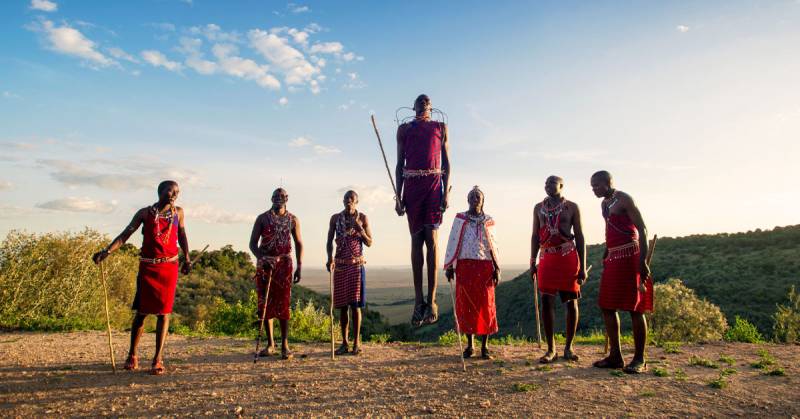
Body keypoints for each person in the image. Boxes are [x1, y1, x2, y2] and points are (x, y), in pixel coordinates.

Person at [92, 180, 191, 375]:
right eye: (170, 191)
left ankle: (157, 359)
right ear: (160, 192)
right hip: (148, 266)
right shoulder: (145, 213)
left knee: (164, 313)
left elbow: (182, 235)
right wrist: (107, 251)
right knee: (142, 312)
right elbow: (125, 235)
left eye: (177, 192)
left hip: (169, 266)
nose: (174, 195)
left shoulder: (178, 212)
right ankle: (132, 355)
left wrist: (187, 258)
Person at [395, 94, 451, 326]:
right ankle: (418, 303)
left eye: (427, 104)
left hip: (434, 186)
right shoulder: (404, 130)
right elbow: (399, 164)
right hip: (412, 188)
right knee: (416, 240)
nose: (423, 107)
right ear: (414, 107)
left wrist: (446, 192)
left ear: (431, 107)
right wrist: (398, 196)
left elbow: (447, 163)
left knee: (433, 240)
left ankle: (433, 301)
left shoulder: (441, 127)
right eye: (420, 104)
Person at [590, 170, 650, 374]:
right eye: (592, 186)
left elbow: (642, 230)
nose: (594, 189)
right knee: (607, 306)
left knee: (635, 308)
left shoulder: (624, 199)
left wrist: (643, 261)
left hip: (631, 256)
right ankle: (615, 356)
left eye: (597, 185)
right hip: (614, 258)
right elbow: (610, 229)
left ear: (608, 183)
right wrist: (607, 251)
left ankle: (640, 359)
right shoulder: (604, 204)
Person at [530, 176, 587, 363]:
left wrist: (583, 266)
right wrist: (532, 261)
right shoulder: (538, 208)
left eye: (551, 183)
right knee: (546, 301)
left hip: (568, 256)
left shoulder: (572, 207)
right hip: (546, 257)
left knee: (570, 302)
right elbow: (534, 236)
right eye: (545, 183)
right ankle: (551, 349)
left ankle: (569, 347)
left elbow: (580, 236)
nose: (547, 186)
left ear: (561, 186)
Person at [443, 186, 500, 359]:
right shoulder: (460, 219)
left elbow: (494, 245)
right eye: (472, 196)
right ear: (467, 200)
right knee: (466, 306)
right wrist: (450, 266)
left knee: (486, 306)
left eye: (478, 196)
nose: (475, 198)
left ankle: (485, 347)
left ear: (483, 200)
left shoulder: (489, 220)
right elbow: (453, 241)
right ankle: (470, 346)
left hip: (485, 266)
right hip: (464, 266)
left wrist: (497, 267)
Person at [249, 188, 303, 360]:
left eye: (282, 196)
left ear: (287, 198)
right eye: (276, 196)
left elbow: (299, 243)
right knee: (265, 303)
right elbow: (252, 244)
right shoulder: (262, 218)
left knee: (283, 303)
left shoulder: (293, 220)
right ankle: (270, 344)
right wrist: (262, 259)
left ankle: (285, 345)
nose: (279, 199)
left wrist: (299, 265)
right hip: (265, 264)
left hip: (285, 264)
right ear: (271, 198)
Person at [326, 190, 373, 355]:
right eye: (346, 198)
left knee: (355, 306)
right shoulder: (335, 219)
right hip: (339, 265)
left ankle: (356, 343)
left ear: (357, 201)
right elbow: (329, 241)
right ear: (343, 200)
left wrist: (360, 229)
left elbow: (370, 243)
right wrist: (329, 258)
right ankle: (344, 343)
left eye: (352, 199)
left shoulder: (363, 218)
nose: (348, 201)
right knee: (342, 306)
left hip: (356, 266)